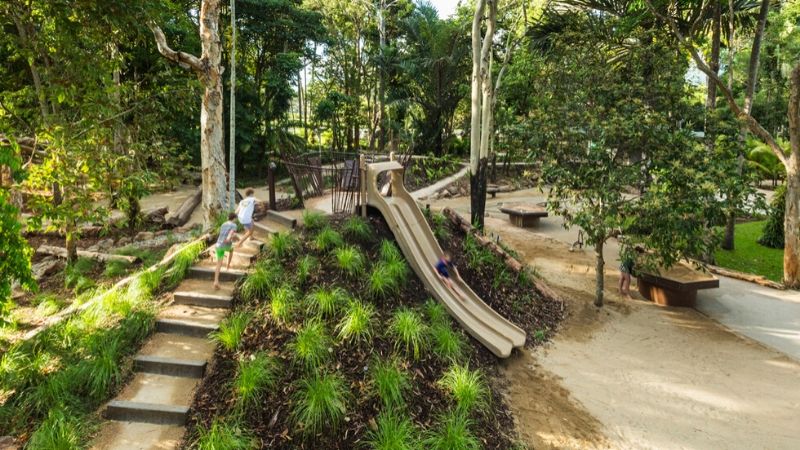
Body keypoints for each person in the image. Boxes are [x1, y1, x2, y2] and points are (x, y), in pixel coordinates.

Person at [214, 213, 238, 289]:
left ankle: (216, 281)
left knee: (218, 264)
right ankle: (227, 266)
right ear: (234, 218)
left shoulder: (223, 224)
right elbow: (231, 233)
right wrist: (230, 238)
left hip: (218, 245)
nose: (236, 220)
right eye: (236, 219)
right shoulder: (234, 225)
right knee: (231, 250)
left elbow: (222, 234)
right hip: (225, 245)